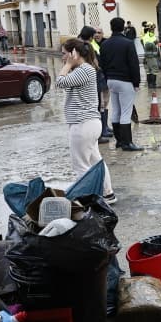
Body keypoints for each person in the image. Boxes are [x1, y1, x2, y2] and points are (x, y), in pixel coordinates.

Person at [56, 37, 115, 200]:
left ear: (73, 53)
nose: (62, 58)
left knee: (80, 165)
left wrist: (68, 64)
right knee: (96, 162)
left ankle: (86, 200)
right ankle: (107, 193)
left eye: (64, 54)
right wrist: (69, 64)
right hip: (88, 123)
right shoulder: (84, 69)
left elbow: (59, 82)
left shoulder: (84, 70)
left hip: (83, 124)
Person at [100, 16, 144, 152]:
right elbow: (134, 64)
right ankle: (127, 143)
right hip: (125, 81)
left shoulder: (105, 44)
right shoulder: (128, 43)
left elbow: (102, 64)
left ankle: (119, 141)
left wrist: (108, 79)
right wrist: (136, 82)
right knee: (126, 111)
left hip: (111, 81)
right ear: (123, 27)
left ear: (111, 27)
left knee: (116, 111)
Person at [79, 25, 113, 141]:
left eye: (99, 32)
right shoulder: (86, 46)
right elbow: (94, 63)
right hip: (94, 78)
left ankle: (104, 128)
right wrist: (98, 68)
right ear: (90, 36)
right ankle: (98, 133)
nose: (96, 35)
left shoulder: (93, 44)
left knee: (103, 103)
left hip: (100, 77)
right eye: (94, 34)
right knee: (98, 105)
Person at [140, 21, 161, 89]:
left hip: (147, 56)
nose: (154, 30)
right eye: (153, 29)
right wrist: (155, 43)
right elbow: (148, 45)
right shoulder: (148, 36)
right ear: (150, 29)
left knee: (149, 71)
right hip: (151, 56)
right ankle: (153, 84)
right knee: (154, 70)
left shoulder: (147, 36)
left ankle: (150, 85)